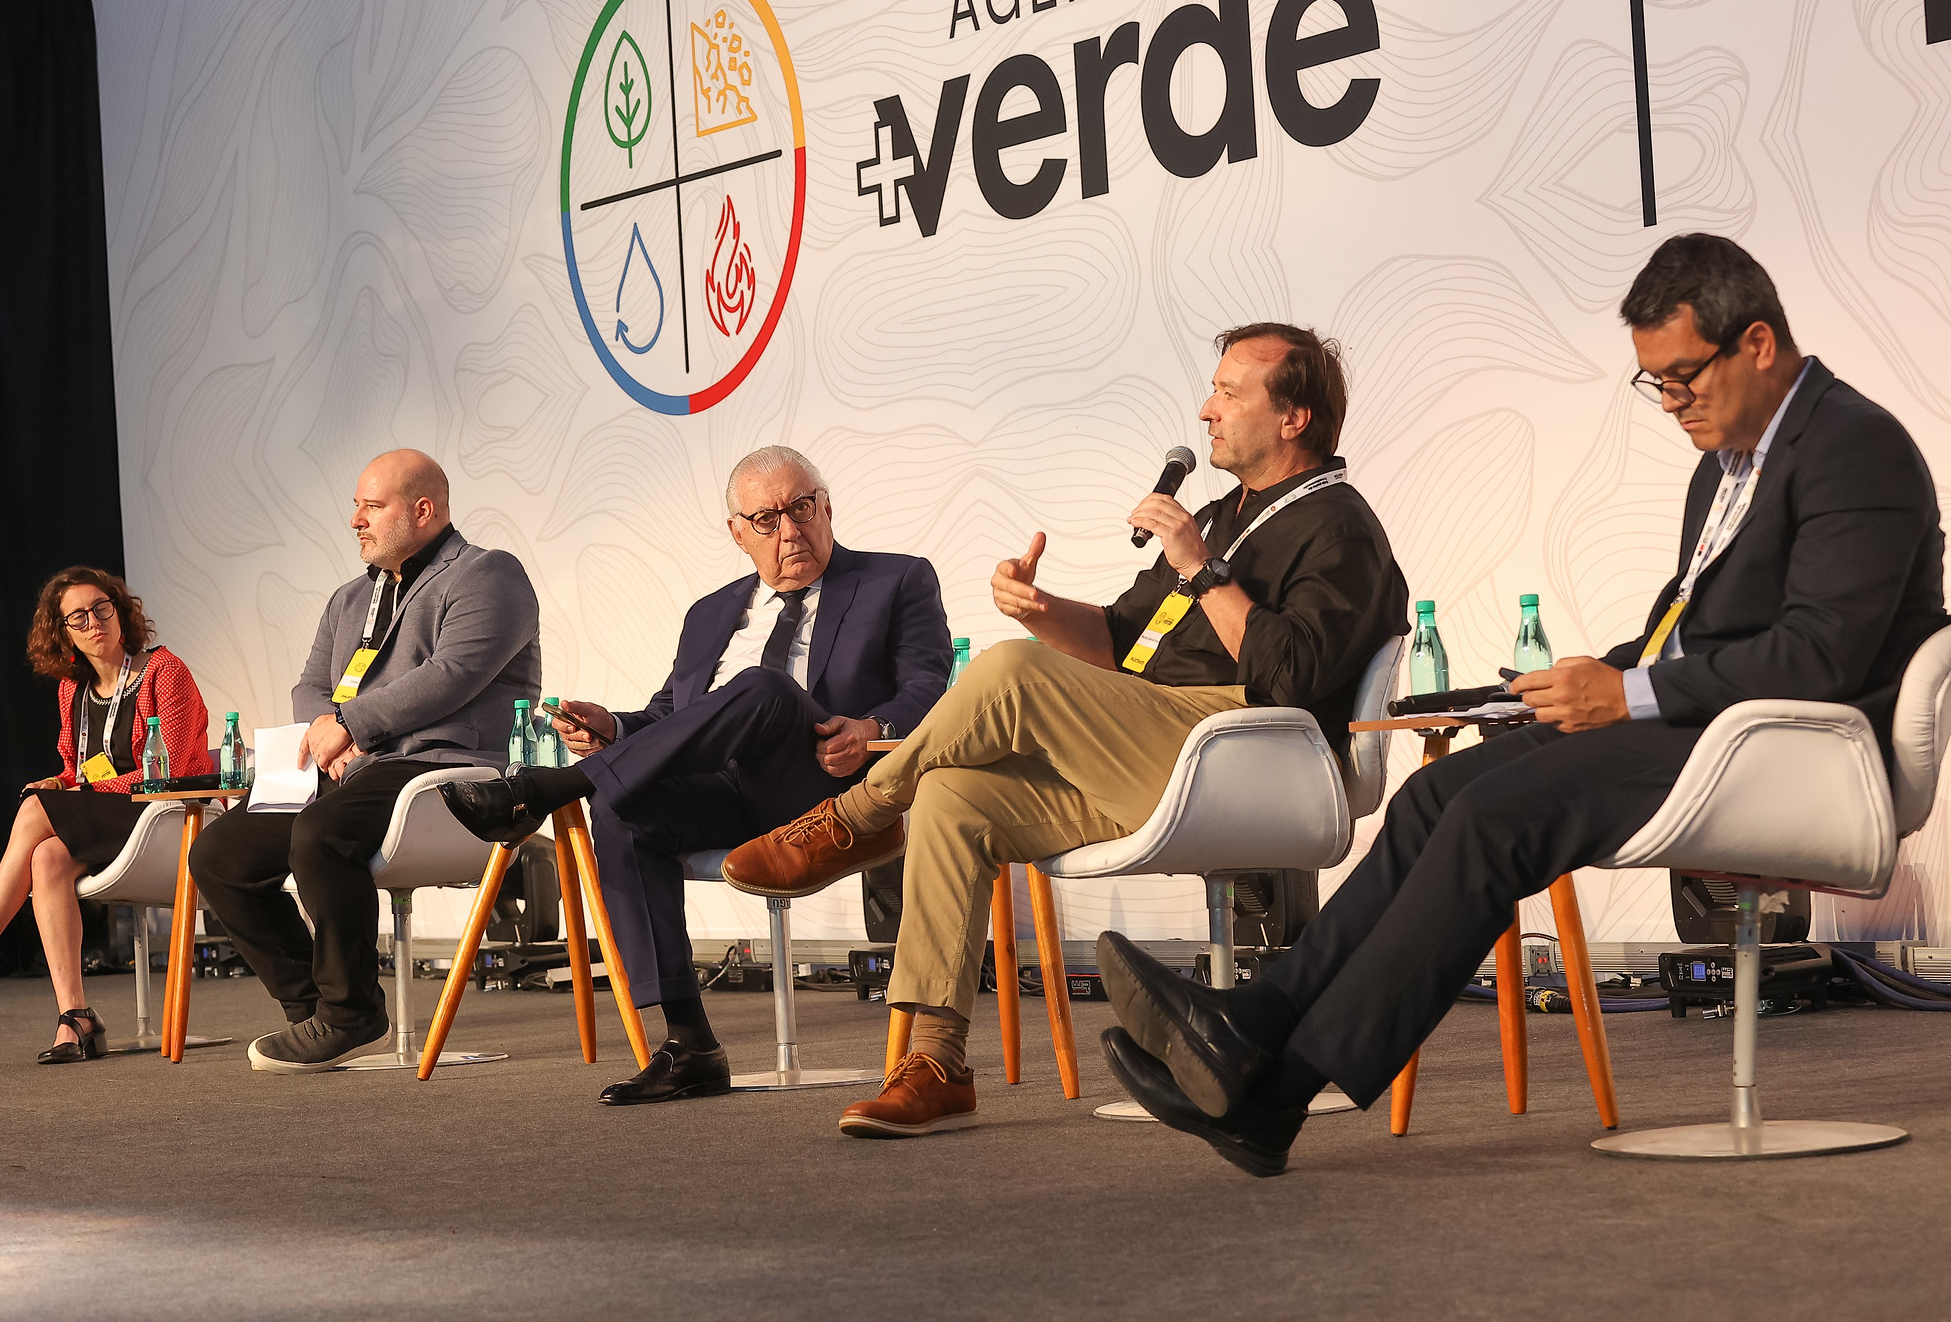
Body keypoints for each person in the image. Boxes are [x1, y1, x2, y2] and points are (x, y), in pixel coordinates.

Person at [1093, 233, 1951, 1177]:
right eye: (1656, 384)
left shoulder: (1854, 448)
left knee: (1494, 820)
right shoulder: (1728, 461)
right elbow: (1693, 633)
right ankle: (1257, 1018)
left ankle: (1277, 1092)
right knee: (1436, 794)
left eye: (1683, 377)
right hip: (1709, 723)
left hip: (1803, 748)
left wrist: (1627, 691)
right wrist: (1572, 683)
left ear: (1756, 343)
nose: (1672, 403)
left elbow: (1822, 657)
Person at [722, 326, 1411, 1137]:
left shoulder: (1340, 528)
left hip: (1252, 754)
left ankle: (857, 814)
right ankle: (936, 1061)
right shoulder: (1224, 516)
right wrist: (1040, 609)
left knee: (1011, 670)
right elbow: (1122, 640)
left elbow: (1291, 673)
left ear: (1294, 418)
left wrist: (1199, 566)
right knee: (951, 794)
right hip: (1154, 747)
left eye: (1230, 393)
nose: (1206, 408)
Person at [442, 446, 951, 1103]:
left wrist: (872, 728)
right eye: (766, 519)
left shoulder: (897, 579)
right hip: (728, 791)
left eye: (801, 508)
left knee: (764, 687)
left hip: (831, 786)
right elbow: (672, 715)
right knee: (624, 809)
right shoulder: (711, 612)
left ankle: (551, 788)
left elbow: (929, 685)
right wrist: (615, 727)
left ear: (827, 508)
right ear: (738, 533)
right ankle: (689, 1044)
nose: (790, 530)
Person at [189, 450, 540, 1073]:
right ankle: (314, 1008)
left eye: (372, 506)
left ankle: (348, 1011)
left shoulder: (488, 573)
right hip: (357, 769)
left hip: (443, 768)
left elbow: (452, 675)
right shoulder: (350, 597)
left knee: (321, 833)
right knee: (221, 854)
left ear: (423, 510)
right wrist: (332, 730)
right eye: (356, 506)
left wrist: (350, 724)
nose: (356, 520)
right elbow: (310, 686)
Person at [0, 567, 213, 1063]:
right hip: (106, 819)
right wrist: (59, 783)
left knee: (33, 810)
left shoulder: (164, 670)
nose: (93, 622)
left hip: (164, 816)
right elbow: (77, 770)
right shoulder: (73, 689)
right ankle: (75, 1016)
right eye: (78, 617)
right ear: (64, 632)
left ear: (120, 612)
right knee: (46, 857)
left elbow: (173, 770)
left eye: (101, 608)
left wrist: (81, 789)